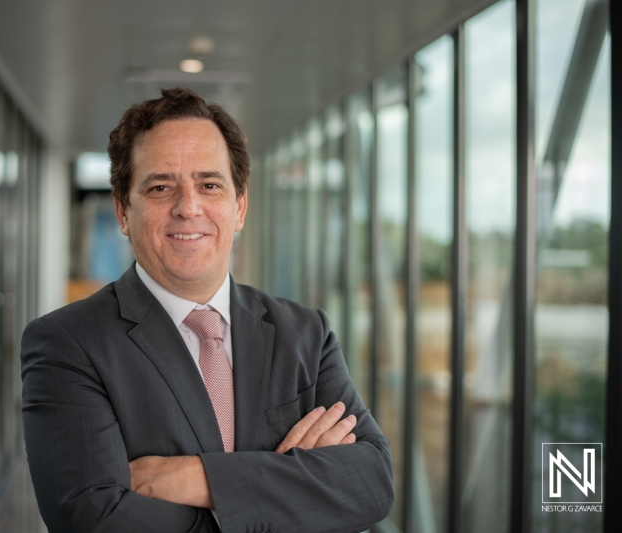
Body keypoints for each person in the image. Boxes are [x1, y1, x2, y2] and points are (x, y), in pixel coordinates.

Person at [21, 87, 394, 533]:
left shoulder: (306, 334)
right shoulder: (67, 342)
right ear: (123, 211)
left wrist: (197, 478)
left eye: (209, 185)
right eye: (160, 187)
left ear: (239, 206)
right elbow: (92, 519)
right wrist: (288, 493)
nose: (188, 207)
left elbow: (371, 481)